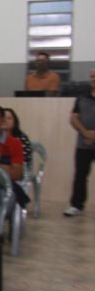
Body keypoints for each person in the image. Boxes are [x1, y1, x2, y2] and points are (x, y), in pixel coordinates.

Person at [65, 68, 95, 216]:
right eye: (92, 76)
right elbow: (73, 118)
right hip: (84, 144)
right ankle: (76, 205)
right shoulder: (82, 97)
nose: (94, 79)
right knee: (80, 176)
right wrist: (86, 133)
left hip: (89, 139)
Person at [0, 105, 24, 183]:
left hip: (5, 184)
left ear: (2, 121)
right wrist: (4, 166)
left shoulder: (14, 143)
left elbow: (17, 173)